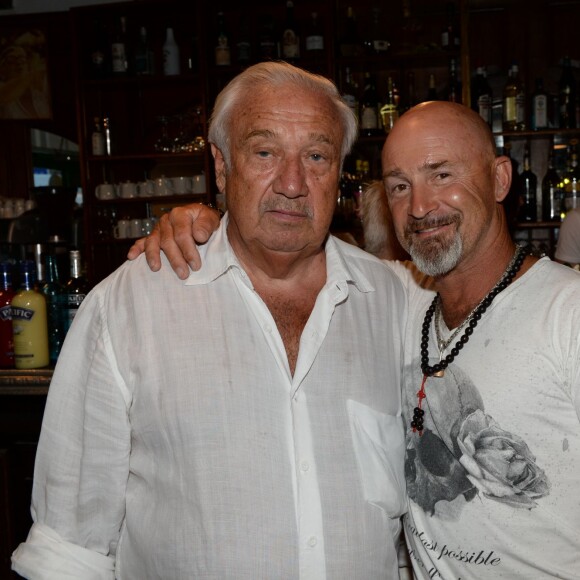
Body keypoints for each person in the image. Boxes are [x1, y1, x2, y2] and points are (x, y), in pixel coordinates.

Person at [134, 100, 580, 579]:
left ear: (499, 179)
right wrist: (200, 220)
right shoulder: (396, 299)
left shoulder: (566, 313)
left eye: (442, 175)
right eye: (400, 187)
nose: (421, 207)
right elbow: (289, 246)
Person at [12, 61, 409, 579]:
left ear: (340, 173)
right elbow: (68, 551)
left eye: (316, 156)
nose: (292, 183)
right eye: (264, 152)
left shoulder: (395, 302)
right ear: (221, 167)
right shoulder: (129, 307)